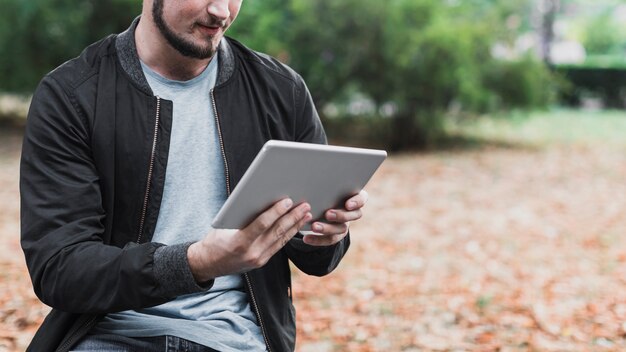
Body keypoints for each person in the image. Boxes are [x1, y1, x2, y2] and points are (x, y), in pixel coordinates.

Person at [19, 0, 368, 351]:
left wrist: (326, 233)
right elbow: (60, 269)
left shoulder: (281, 91)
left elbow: (319, 260)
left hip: (235, 339)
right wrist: (195, 263)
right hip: (108, 334)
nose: (221, 11)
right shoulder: (72, 95)